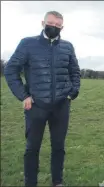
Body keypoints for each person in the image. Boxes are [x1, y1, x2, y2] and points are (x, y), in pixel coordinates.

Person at [4, 11, 81, 187]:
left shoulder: (68, 47)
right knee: (32, 148)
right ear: (43, 23)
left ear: (62, 27)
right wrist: (23, 96)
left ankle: (57, 182)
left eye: (57, 25)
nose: (53, 27)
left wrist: (72, 93)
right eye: (50, 23)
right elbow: (10, 70)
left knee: (59, 147)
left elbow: (75, 72)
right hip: (36, 106)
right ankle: (30, 183)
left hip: (61, 105)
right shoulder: (27, 44)